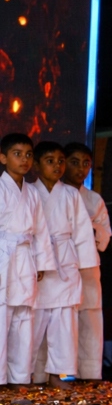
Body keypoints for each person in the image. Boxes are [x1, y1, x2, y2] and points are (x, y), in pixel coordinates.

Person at [28, 142, 99, 388]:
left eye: (60, 161)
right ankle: (25, 374)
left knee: (64, 323)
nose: (57, 166)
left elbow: (82, 232)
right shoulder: (28, 193)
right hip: (36, 262)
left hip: (65, 262)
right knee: (31, 323)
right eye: (50, 160)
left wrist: (83, 263)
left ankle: (59, 374)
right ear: (36, 165)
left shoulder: (70, 194)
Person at [0, 133, 56, 386]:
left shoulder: (31, 193)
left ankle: (20, 377)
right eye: (17, 154)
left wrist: (42, 261)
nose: (24, 160)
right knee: (2, 315)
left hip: (25, 256)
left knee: (24, 316)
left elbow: (41, 230)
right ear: (3, 158)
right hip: (3, 254)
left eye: (28, 155)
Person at [61, 142, 112, 381]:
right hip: (59, 267)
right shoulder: (52, 194)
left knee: (90, 318)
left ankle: (89, 374)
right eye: (74, 162)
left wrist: (87, 230)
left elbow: (104, 235)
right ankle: (55, 373)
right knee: (58, 319)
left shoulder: (93, 199)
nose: (81, 169)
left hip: (88, 268)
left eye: (86, 164)